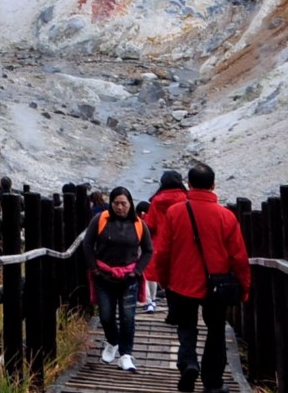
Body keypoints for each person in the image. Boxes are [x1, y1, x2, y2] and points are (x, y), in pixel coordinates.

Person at [148, 162, 250, 393]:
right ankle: (213, 383)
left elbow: (163, 251)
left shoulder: (175, 212)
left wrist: (163, 279)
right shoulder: (226, 216)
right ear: (213, 185)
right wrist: (244, 286)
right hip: (217, 284)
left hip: (181, 282)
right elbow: (238, 256)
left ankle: (188, 363)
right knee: (216, 331)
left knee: (186, 327)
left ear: (190, 184)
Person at [83, 187, 153, 371]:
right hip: (104, 276)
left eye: (124, 203)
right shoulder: (99, 220)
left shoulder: (139, 224)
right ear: (110, 204)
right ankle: (112, 341)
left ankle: (126, 355)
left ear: (130, 204)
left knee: (127, 317)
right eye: (116, 203)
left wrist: (137, 271)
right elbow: (88, 244)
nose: (120, 207)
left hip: (128, 278)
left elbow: (148, 250)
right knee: (106, 316)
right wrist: (95, 269)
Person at [145, 170, 188, 314]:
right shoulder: (186, 199)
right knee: (181, 276)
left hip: (161, 242)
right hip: (183, 243)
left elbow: (150, 225)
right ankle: (181, 310)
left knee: (166, 277)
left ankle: (171, 310)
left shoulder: (157, 201)